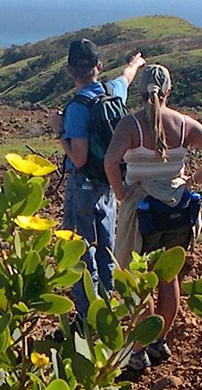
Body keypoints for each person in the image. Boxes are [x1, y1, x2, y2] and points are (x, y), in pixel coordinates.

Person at [104, 64, 202, 374]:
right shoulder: (185, 125)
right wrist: (193, 180)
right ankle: (159, 341)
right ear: (169, 91)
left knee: (137, 280)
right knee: (168, 277)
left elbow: (110, 161)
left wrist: (121, 192)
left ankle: (138, 350)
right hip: (176, 210)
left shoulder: (130, 125)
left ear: (140, 90)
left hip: (142, 211)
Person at [50, 38, 146, 319]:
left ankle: (86, 318)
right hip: (109, 180)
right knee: (107, 247)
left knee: (81, 250)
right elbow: (126, 78)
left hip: (83, 185)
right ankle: (108, 311)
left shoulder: (77, 109)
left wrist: (59, 131)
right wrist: (135, 63)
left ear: (70, 70)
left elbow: (78, 158)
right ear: (98, 66)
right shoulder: (112, 91)